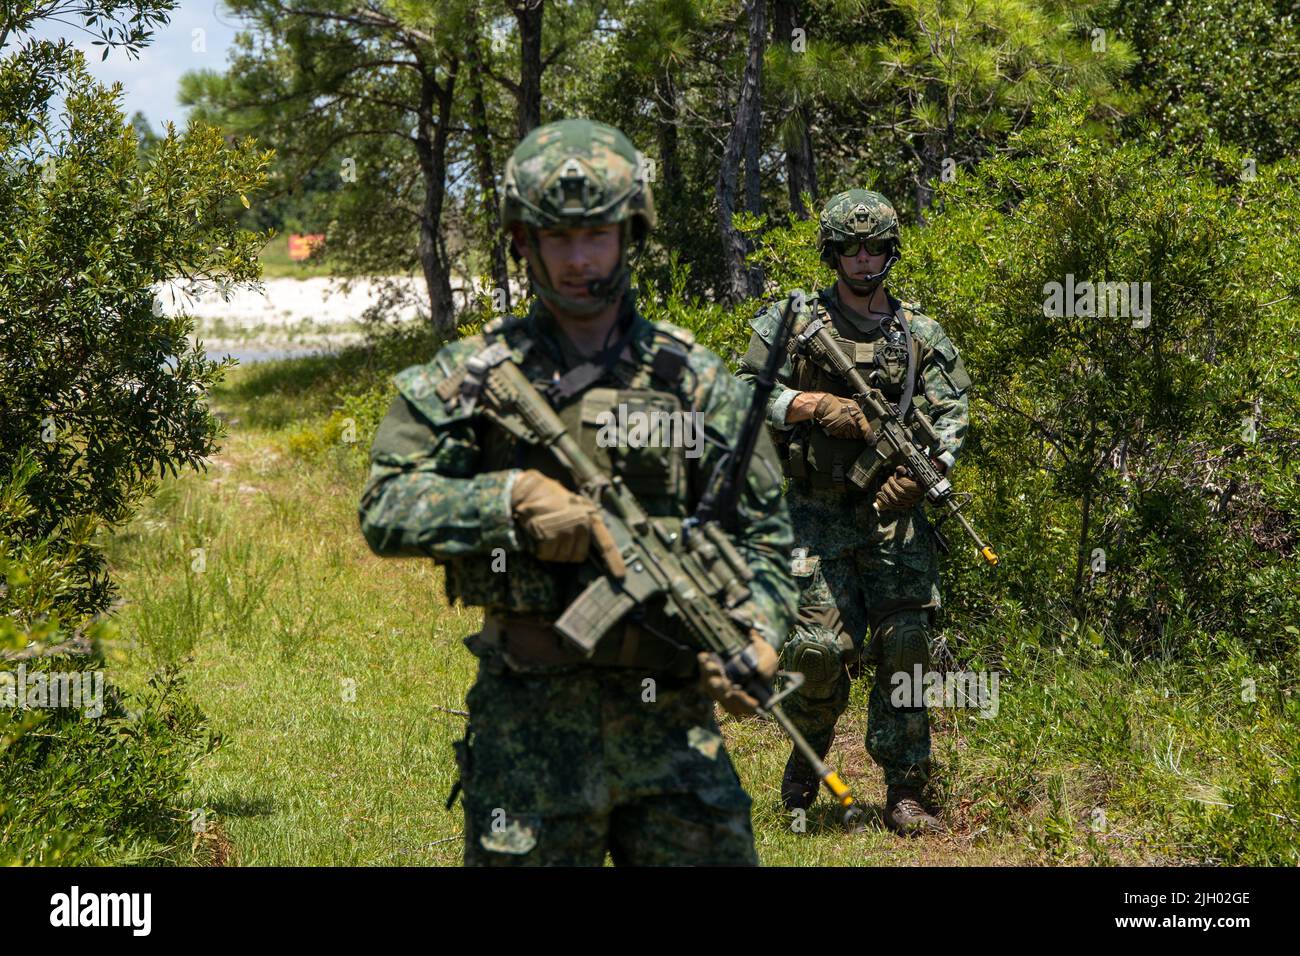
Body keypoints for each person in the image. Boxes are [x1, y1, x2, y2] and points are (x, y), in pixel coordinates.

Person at [358, 118, 796, 865]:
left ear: (631, 234)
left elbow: (766, 535)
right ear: (523, 242)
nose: (578, 259)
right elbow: (385, 506)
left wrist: (758, 631)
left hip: (672, 721)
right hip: (527, 720)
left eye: (595, 234)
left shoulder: (695, 381)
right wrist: (507, 503)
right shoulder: (475, 372)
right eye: (556, 238)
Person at [737, 189, 971, 836]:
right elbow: (734, 397)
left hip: (895, 524)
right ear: (832, 252)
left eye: (875, 247)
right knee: (815, 650)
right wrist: (811, 406)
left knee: (907, 648)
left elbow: (952, 416)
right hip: (815, 516)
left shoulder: (918, 334)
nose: (864, 260)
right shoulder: (792, 321)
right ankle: (805, 766)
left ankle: (905, 791)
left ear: (890, 250)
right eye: (851, 247)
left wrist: (925, 480)